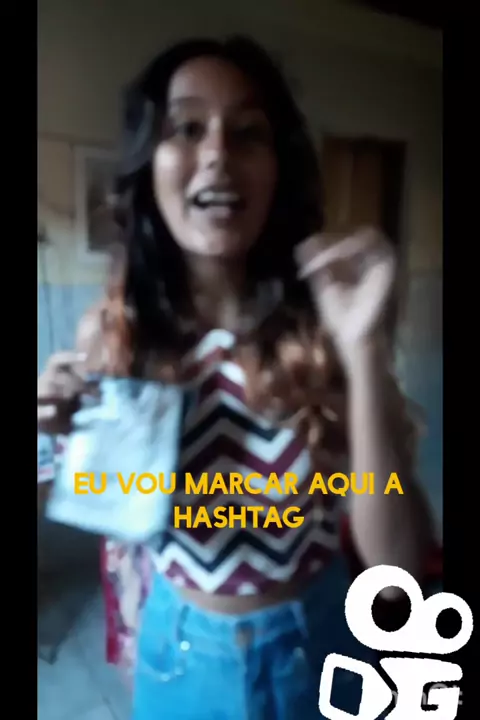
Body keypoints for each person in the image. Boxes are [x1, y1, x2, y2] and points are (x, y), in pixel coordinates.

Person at [38, 36, 435, 720]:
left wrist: (364, 349)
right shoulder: (112, 335)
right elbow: (100, 505)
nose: (218, 151)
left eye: (248, 132)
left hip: (324, 646)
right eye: (187, 128)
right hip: (180, 658)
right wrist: (52, 440)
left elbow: (397, 571)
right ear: (149, 163)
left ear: (277, 168)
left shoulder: (328, 327)